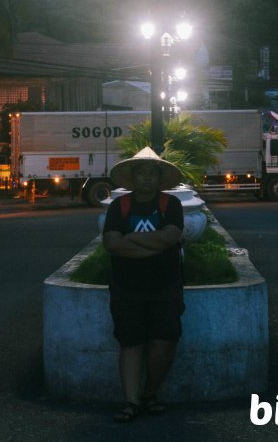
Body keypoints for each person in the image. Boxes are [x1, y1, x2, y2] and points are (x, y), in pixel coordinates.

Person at [102, 147, 185, 423]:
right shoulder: (119, 206)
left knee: (165, 342)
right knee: (131, 344)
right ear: (133, 177)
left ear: (159, 178)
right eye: (142, 173)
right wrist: (155, 245)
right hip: (127, 287)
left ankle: (149, 394)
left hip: (165, 286)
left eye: (152, 173)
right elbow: (112, 244)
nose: (147, 179)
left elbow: (171, 238)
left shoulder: (170, 205)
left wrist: (132, 240)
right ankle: (131, 402)